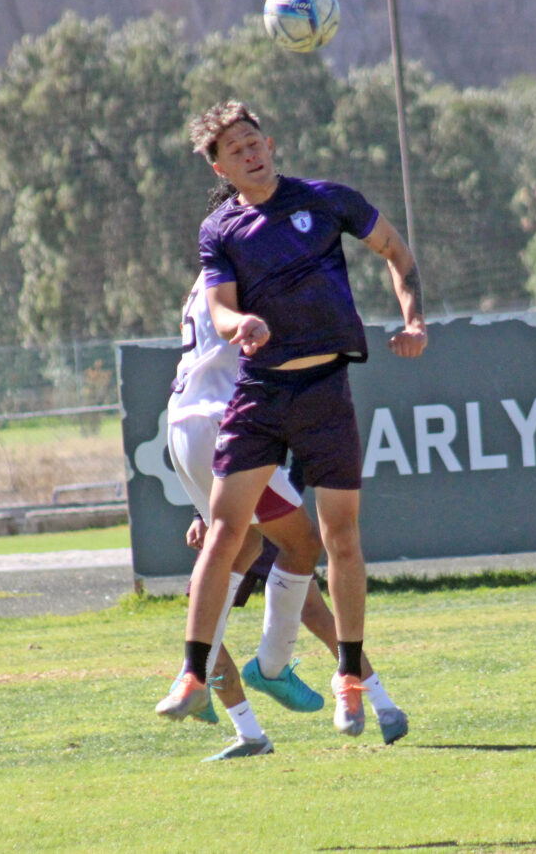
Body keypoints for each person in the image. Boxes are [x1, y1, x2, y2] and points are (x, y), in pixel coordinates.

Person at [155, 101, 426, 738]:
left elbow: (396, 251)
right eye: (236, 149)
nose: (251, 153)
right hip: (257, 392)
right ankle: (196, 675)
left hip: (324, 390)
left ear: (270, 143)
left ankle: (344, 674)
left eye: (256, 141)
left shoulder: (328, 200)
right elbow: (221, 308)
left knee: (335, 539)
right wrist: (238, 323)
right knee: (225, 533)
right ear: (218, 166)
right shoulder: (219, 230)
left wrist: (413, 320)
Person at [163, 269, 409, 759]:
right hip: (227, 425)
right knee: (302, 557)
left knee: (245, 561)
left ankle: (238, 715)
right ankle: (270, 671)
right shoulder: (248, 261)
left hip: (186, 425)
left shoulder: (206, 279)